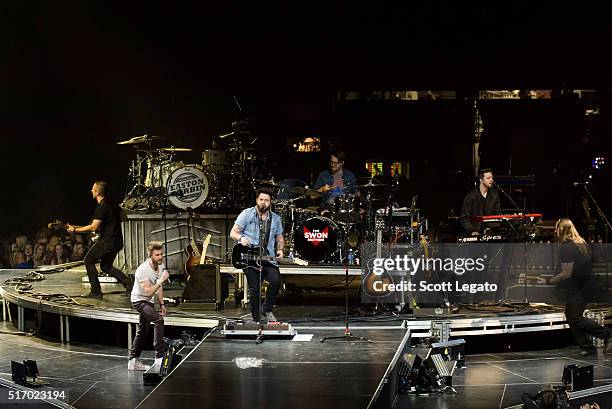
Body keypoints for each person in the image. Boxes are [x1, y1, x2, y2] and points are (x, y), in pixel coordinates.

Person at [540, 219, 612, 356]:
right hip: (584, 286)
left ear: (561, 230)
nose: (555, 232)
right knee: (571, 315)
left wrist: (549, 281)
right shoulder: (581, 243)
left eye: (556, 229)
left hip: (580, 288)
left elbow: (566, 273)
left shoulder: (567, 248)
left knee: (575, 317)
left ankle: (607, 334)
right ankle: (587, 347)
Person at [66, 181, 132, 299]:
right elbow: (124, 217)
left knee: (88, 261)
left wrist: (75, 230)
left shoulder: (102, 207)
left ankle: (96, 292)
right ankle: (129, 284)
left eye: (92, 189)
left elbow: (93, 227)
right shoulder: (113, 205)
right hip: (117, 241)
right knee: (105, 266)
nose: (91, 190)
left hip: (108, 241)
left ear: (97, 192)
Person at [230, 188, 284, 323]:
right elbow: (233, 232)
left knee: (276, 281)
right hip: (249, 257)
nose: (263, 203)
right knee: (255, 287)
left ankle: (267, 309)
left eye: (266, 200)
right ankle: (257, 318)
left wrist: (280, 249)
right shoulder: (246, 214)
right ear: (256, 200)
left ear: (270, 202)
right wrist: (241, 238)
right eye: (261, 200)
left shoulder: (276, 219)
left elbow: (280, 238)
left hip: (267, 257)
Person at [128, 241, 169, 371]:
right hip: (139, 300)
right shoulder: (142, 270)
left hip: (149, 301)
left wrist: (161, 303)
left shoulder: (160, 266)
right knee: (158, 320)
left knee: (143, 330)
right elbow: (149, 291)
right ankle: (159, 358)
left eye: (161, 254)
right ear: (150, 255)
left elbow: (158, 288)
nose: (160, 257)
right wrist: (161, 280)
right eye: (157, 255)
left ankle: (133, 361)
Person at [460, 168, 501, 235]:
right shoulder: (471, 196)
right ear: (481, 180)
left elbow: (496, 214)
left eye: (492, 177)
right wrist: (472, 231)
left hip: (489, 231)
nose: (491, 180)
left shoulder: (494, 195)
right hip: (474, 231)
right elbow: (464, 218)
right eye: (488, 178)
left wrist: (490, 227)